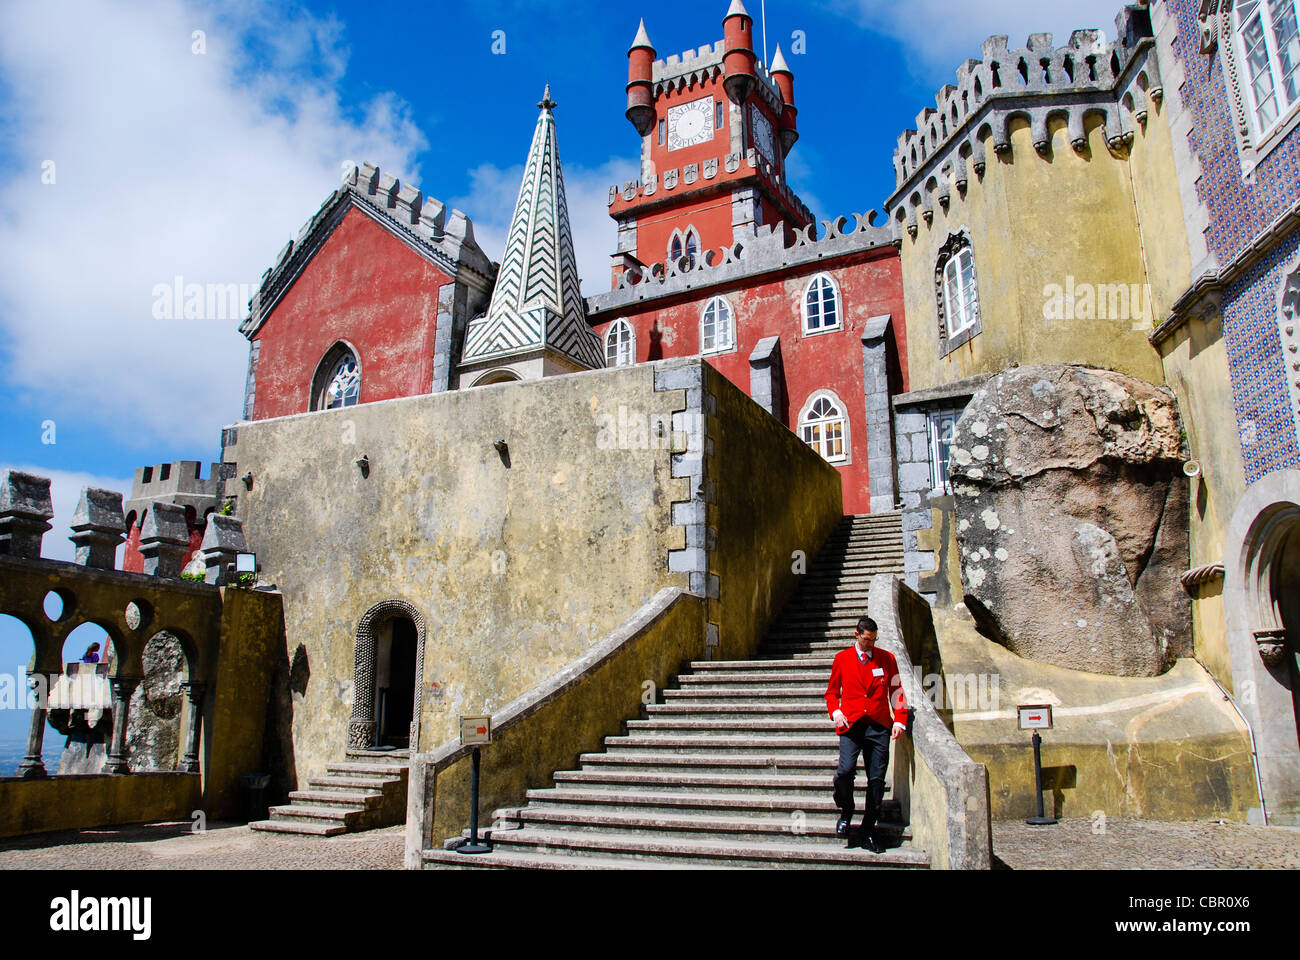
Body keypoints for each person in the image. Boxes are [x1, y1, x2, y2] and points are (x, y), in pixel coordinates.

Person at [824, 615, 909, 852]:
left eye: (873, 639)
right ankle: (846, 809)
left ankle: (868, 830)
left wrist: (900, 720)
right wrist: (836, 712)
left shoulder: (886, 658)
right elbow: (831, 693)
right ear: (857, 635)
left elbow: (897, 690)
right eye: (866, 639)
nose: (870, 644)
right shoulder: (842, 659)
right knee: (845, 771)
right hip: (851, 725)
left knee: (876, 781)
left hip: (879, 726)